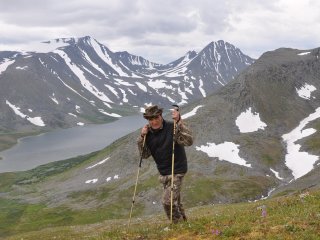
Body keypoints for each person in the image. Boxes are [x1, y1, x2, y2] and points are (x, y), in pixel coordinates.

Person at [137, 105, 193, 223]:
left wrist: (179, 122)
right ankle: (185, 223)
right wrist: (142, 137)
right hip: (163, 172)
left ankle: (178, 226)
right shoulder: (147, 134)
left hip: (177, 169)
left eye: (156, 117)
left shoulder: (172, 127)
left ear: (161, 116)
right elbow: (145, 155)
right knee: (175, 200)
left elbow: (188, 141)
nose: (154, 121)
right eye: (150, 119)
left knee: (168, 202)